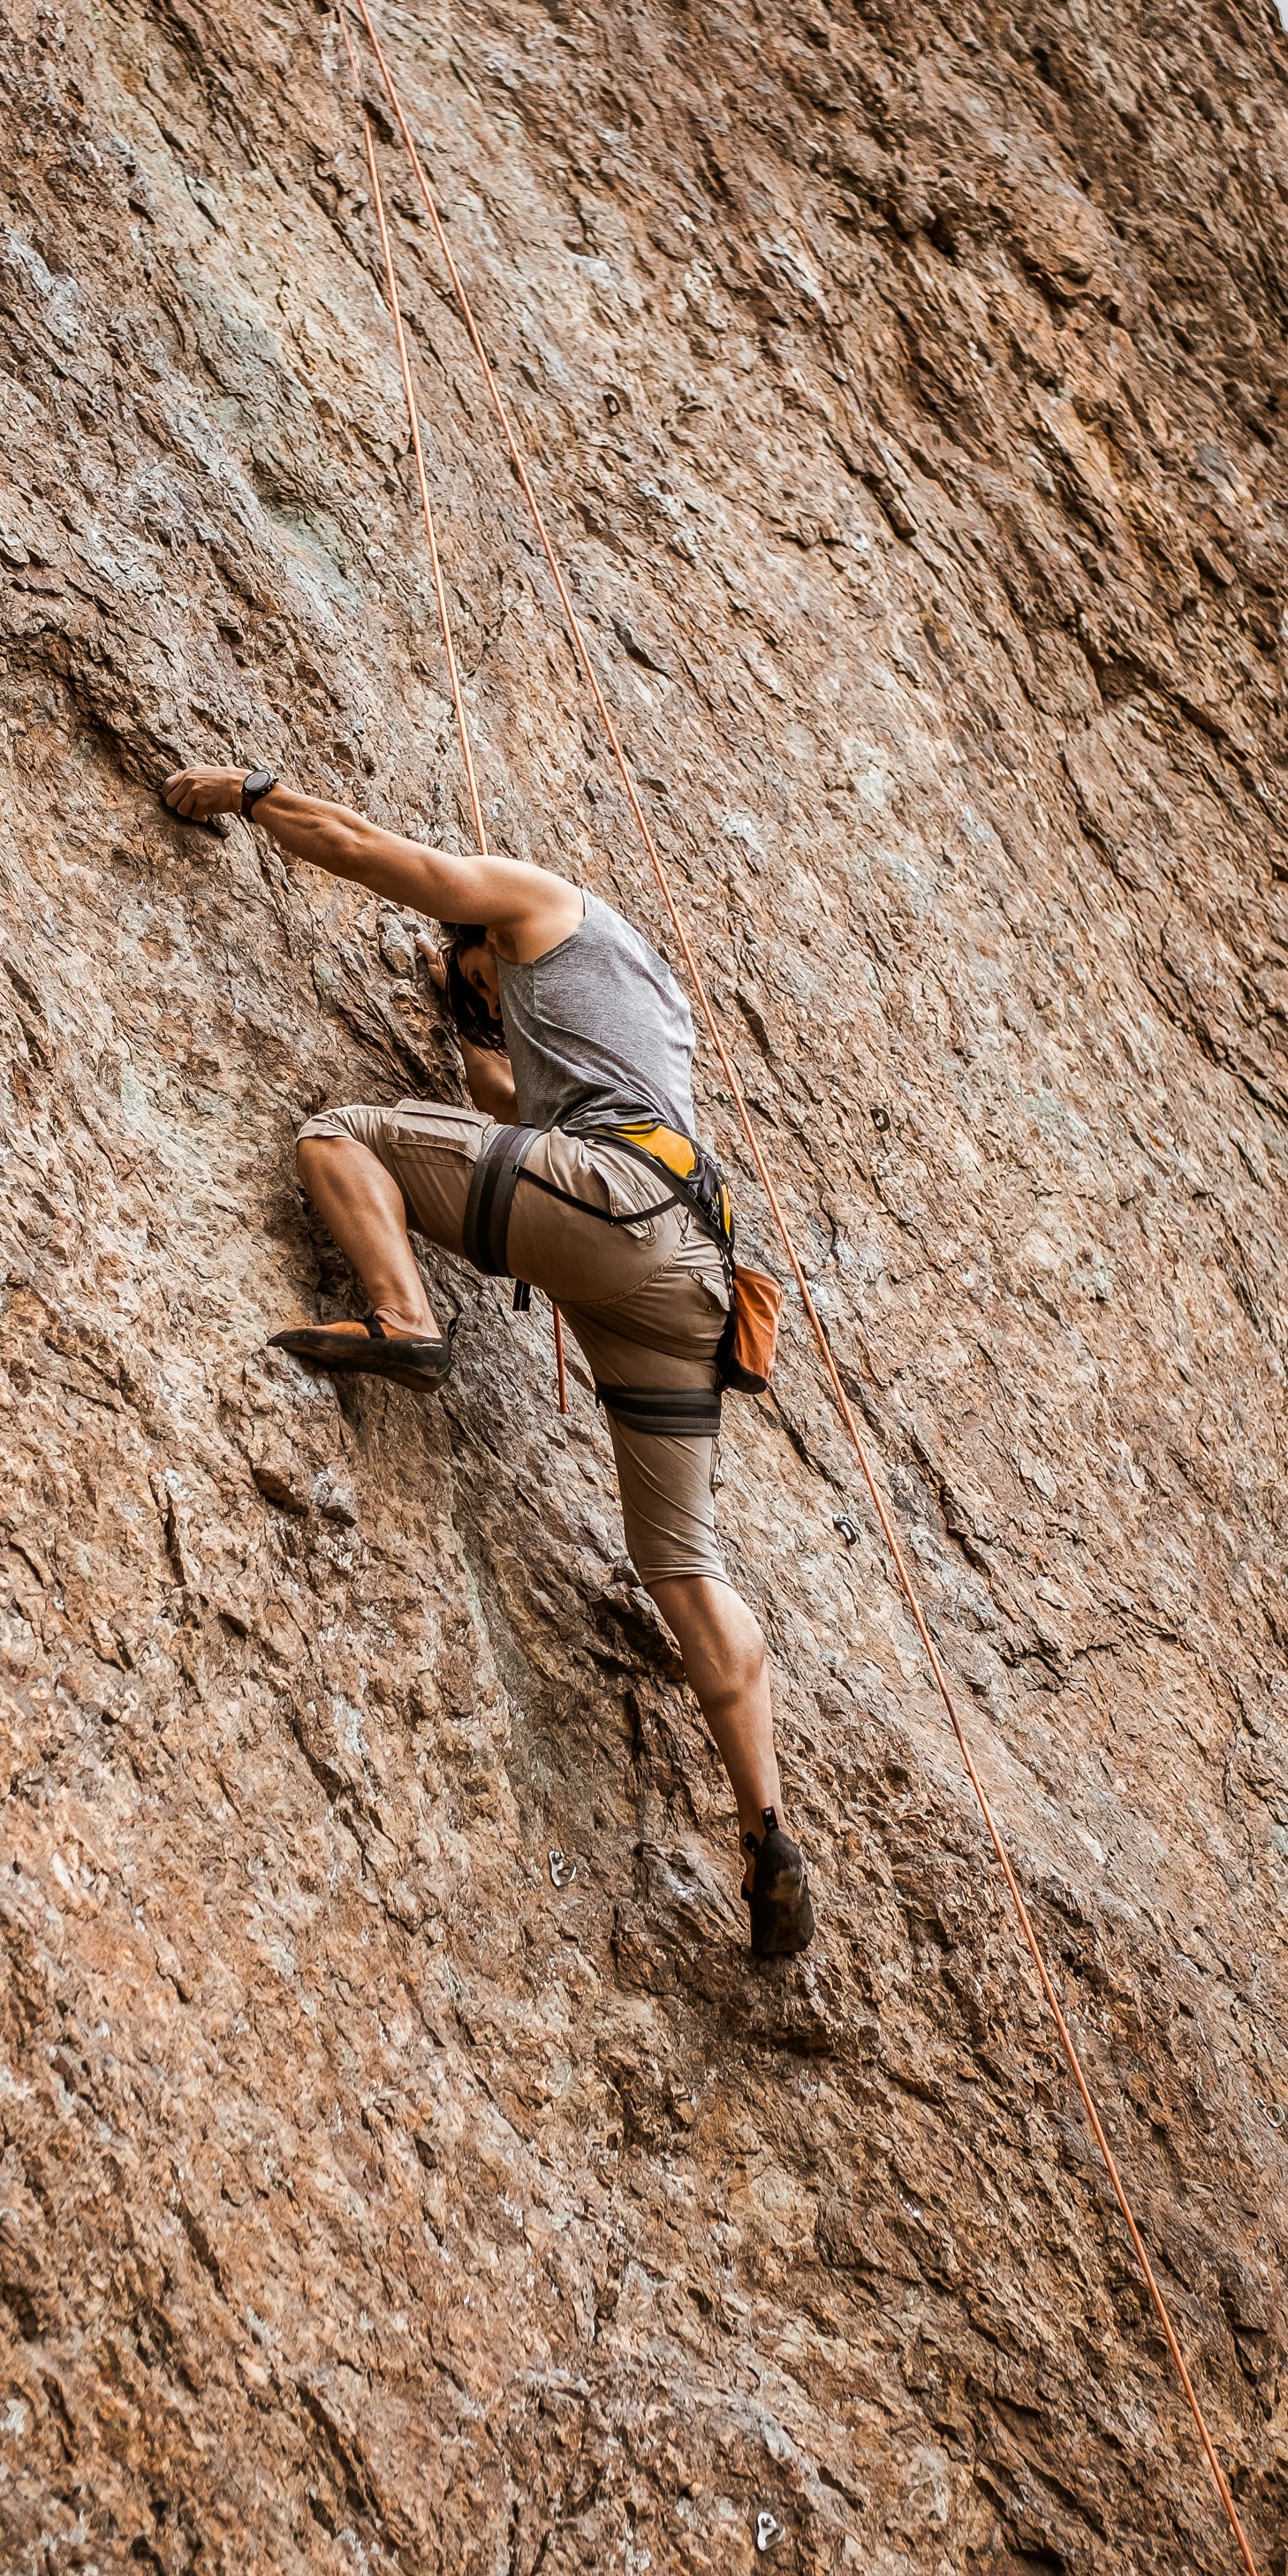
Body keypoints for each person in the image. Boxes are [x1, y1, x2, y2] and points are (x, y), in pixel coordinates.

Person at [160, 762, 814, 1960]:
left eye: (465, 975)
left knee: (340, 1133)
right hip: (687, 1281)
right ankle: (765, 1823)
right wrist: (474, 1025)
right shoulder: (623, 1000)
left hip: (616, 1205)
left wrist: (249, 795)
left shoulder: (531, 902)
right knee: (679, 1560)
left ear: (480, 935)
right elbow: (498, 1101)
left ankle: (402, 1316)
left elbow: (364, 849)